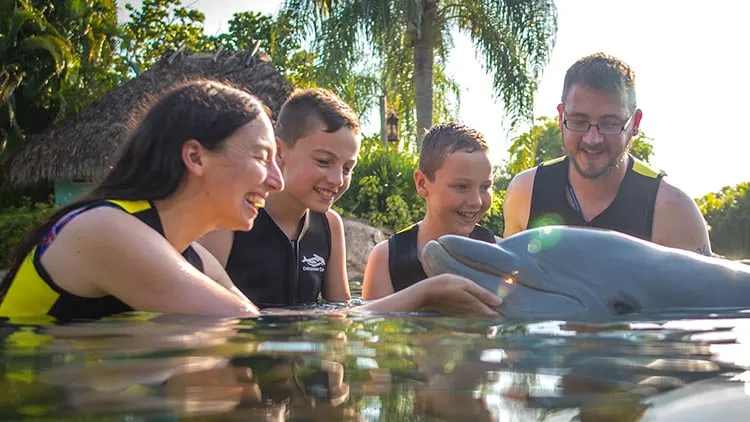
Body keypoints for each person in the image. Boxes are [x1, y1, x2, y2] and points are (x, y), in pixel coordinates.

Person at [0, 79, 501, 320]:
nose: (275, 180)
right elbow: (243, 324)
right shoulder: (104, 230)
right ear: (196, 157)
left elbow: (267, 322)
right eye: (263, 157)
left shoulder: (188, 253)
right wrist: (418, 296)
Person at [503, 53, 711, 255]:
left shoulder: (673, 210)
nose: (592, 139)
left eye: (610, 123)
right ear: (561, 117)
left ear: (635, 123)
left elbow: (702, 290)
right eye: (578, 121)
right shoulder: (526, 192)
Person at [198, 88, 357, 308]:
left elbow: (340, 313)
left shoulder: (330, 225)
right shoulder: (233, 217)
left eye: (348, 168)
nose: (337, 179)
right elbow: (198, 306)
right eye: (323, 161)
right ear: (279, 151)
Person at [362, 122, 499, 300]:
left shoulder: (500, 253)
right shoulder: (387, 259)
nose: (476, 201)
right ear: (422, 183)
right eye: (461, 186)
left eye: (485, 186)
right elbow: (370, 323)